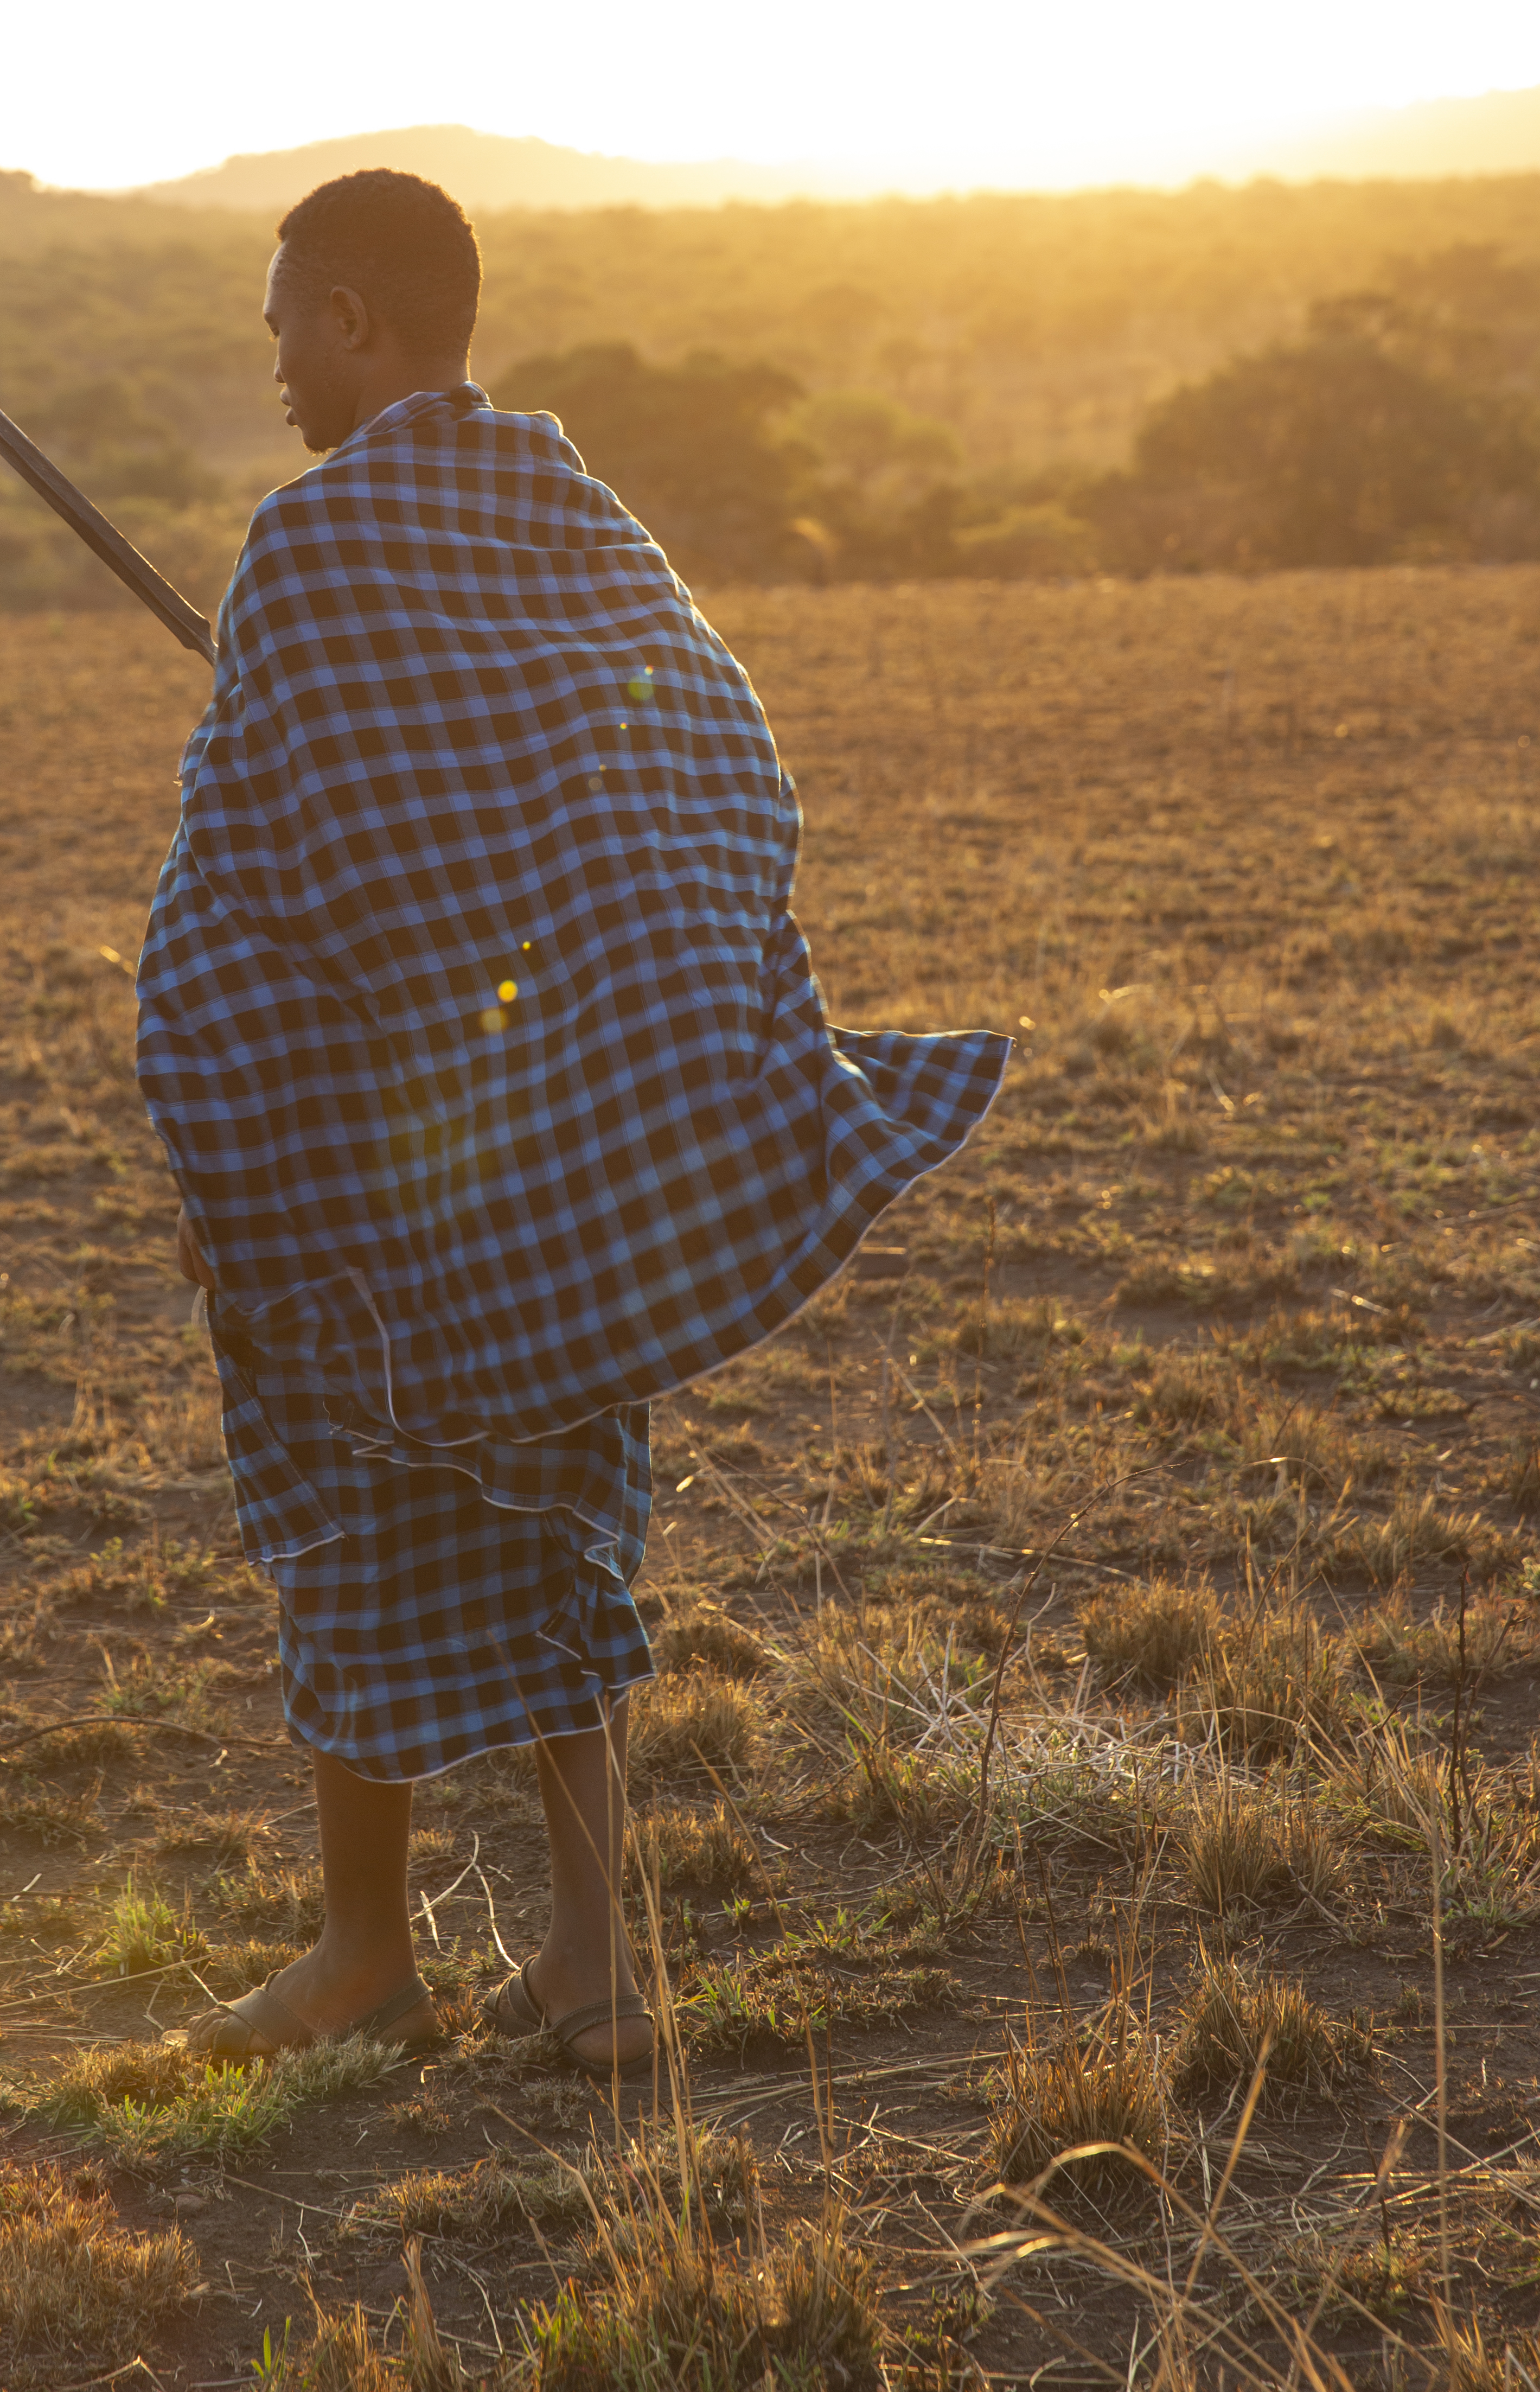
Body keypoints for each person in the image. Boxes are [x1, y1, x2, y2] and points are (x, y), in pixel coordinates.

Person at [136, 169, 1007, 2074]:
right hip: (566, 1134)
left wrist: (225, 1155)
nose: (270, 355)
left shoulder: (301, 553)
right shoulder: (573, 511)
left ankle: (369, 1952)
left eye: (284, 313)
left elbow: (244, 900)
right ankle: (598, 1968)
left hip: (399, 1149)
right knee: (557, 1519)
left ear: (358, 316)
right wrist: (618, 1015)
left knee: (352, 1497)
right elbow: (717, 752)